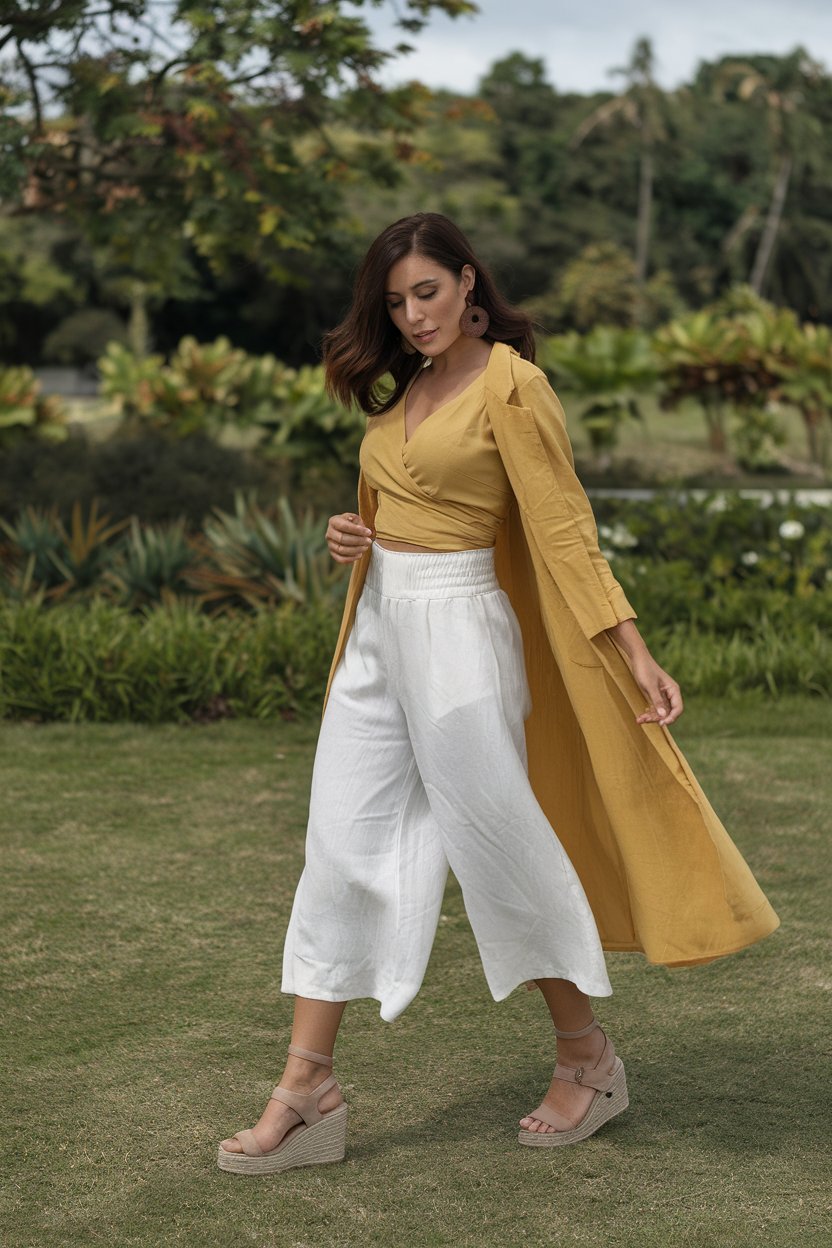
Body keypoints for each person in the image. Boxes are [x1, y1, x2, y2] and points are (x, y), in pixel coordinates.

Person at [217, 213, 779, 1176]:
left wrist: (632, 649)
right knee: (339, 842)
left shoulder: (514, 385)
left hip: (463, 634)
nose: (413, 315)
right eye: (395, 302)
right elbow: (394, 509)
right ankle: (308, 1089)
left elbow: (564, 529)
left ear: (470, 283)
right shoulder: (408, 390)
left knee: (498, 846)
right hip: (380, 635)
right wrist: (354, 536)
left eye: (427, 291)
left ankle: (586, 1059)